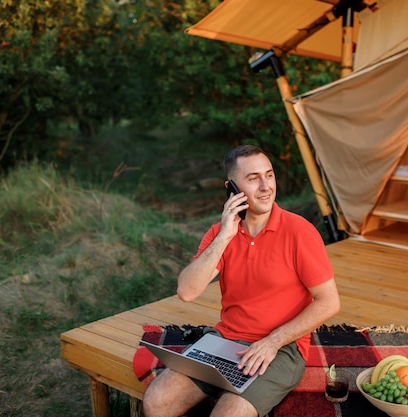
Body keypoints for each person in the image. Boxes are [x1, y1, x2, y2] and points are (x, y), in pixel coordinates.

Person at [142, 145, 341, 417]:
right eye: (253, 178)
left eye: (269, 175)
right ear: (231, 188)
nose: (265, 186)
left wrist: (273, 341)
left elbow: (329, 302)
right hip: (224, 338)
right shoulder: (220, 233)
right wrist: (225, 235)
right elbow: (187, 291)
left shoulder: (300, 232)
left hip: (281, 348)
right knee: (156, 402)